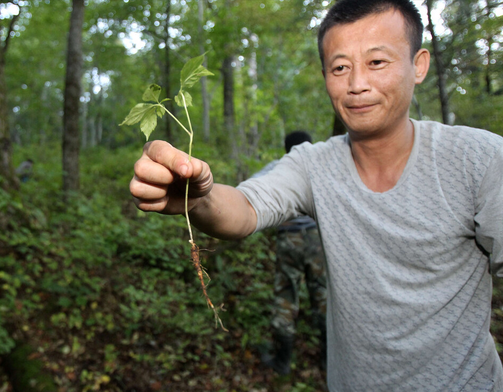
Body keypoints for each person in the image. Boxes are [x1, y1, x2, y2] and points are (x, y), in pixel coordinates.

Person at [129, 0, 503, 390]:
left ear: (419, 65)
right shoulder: (312, 165)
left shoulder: (479, 162)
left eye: (377, 62)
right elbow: (244, 209)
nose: (357, 83)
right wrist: (197, 199)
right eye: (340, 67)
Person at [254, 131, 327, 376]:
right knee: (323, 295)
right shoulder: (322, 167)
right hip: (318, 239)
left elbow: (248, 191)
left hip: (289, 239)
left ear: (287, 149)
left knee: (286, 296)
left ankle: (283, 360)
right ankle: (329, 359)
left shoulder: (277, 167)